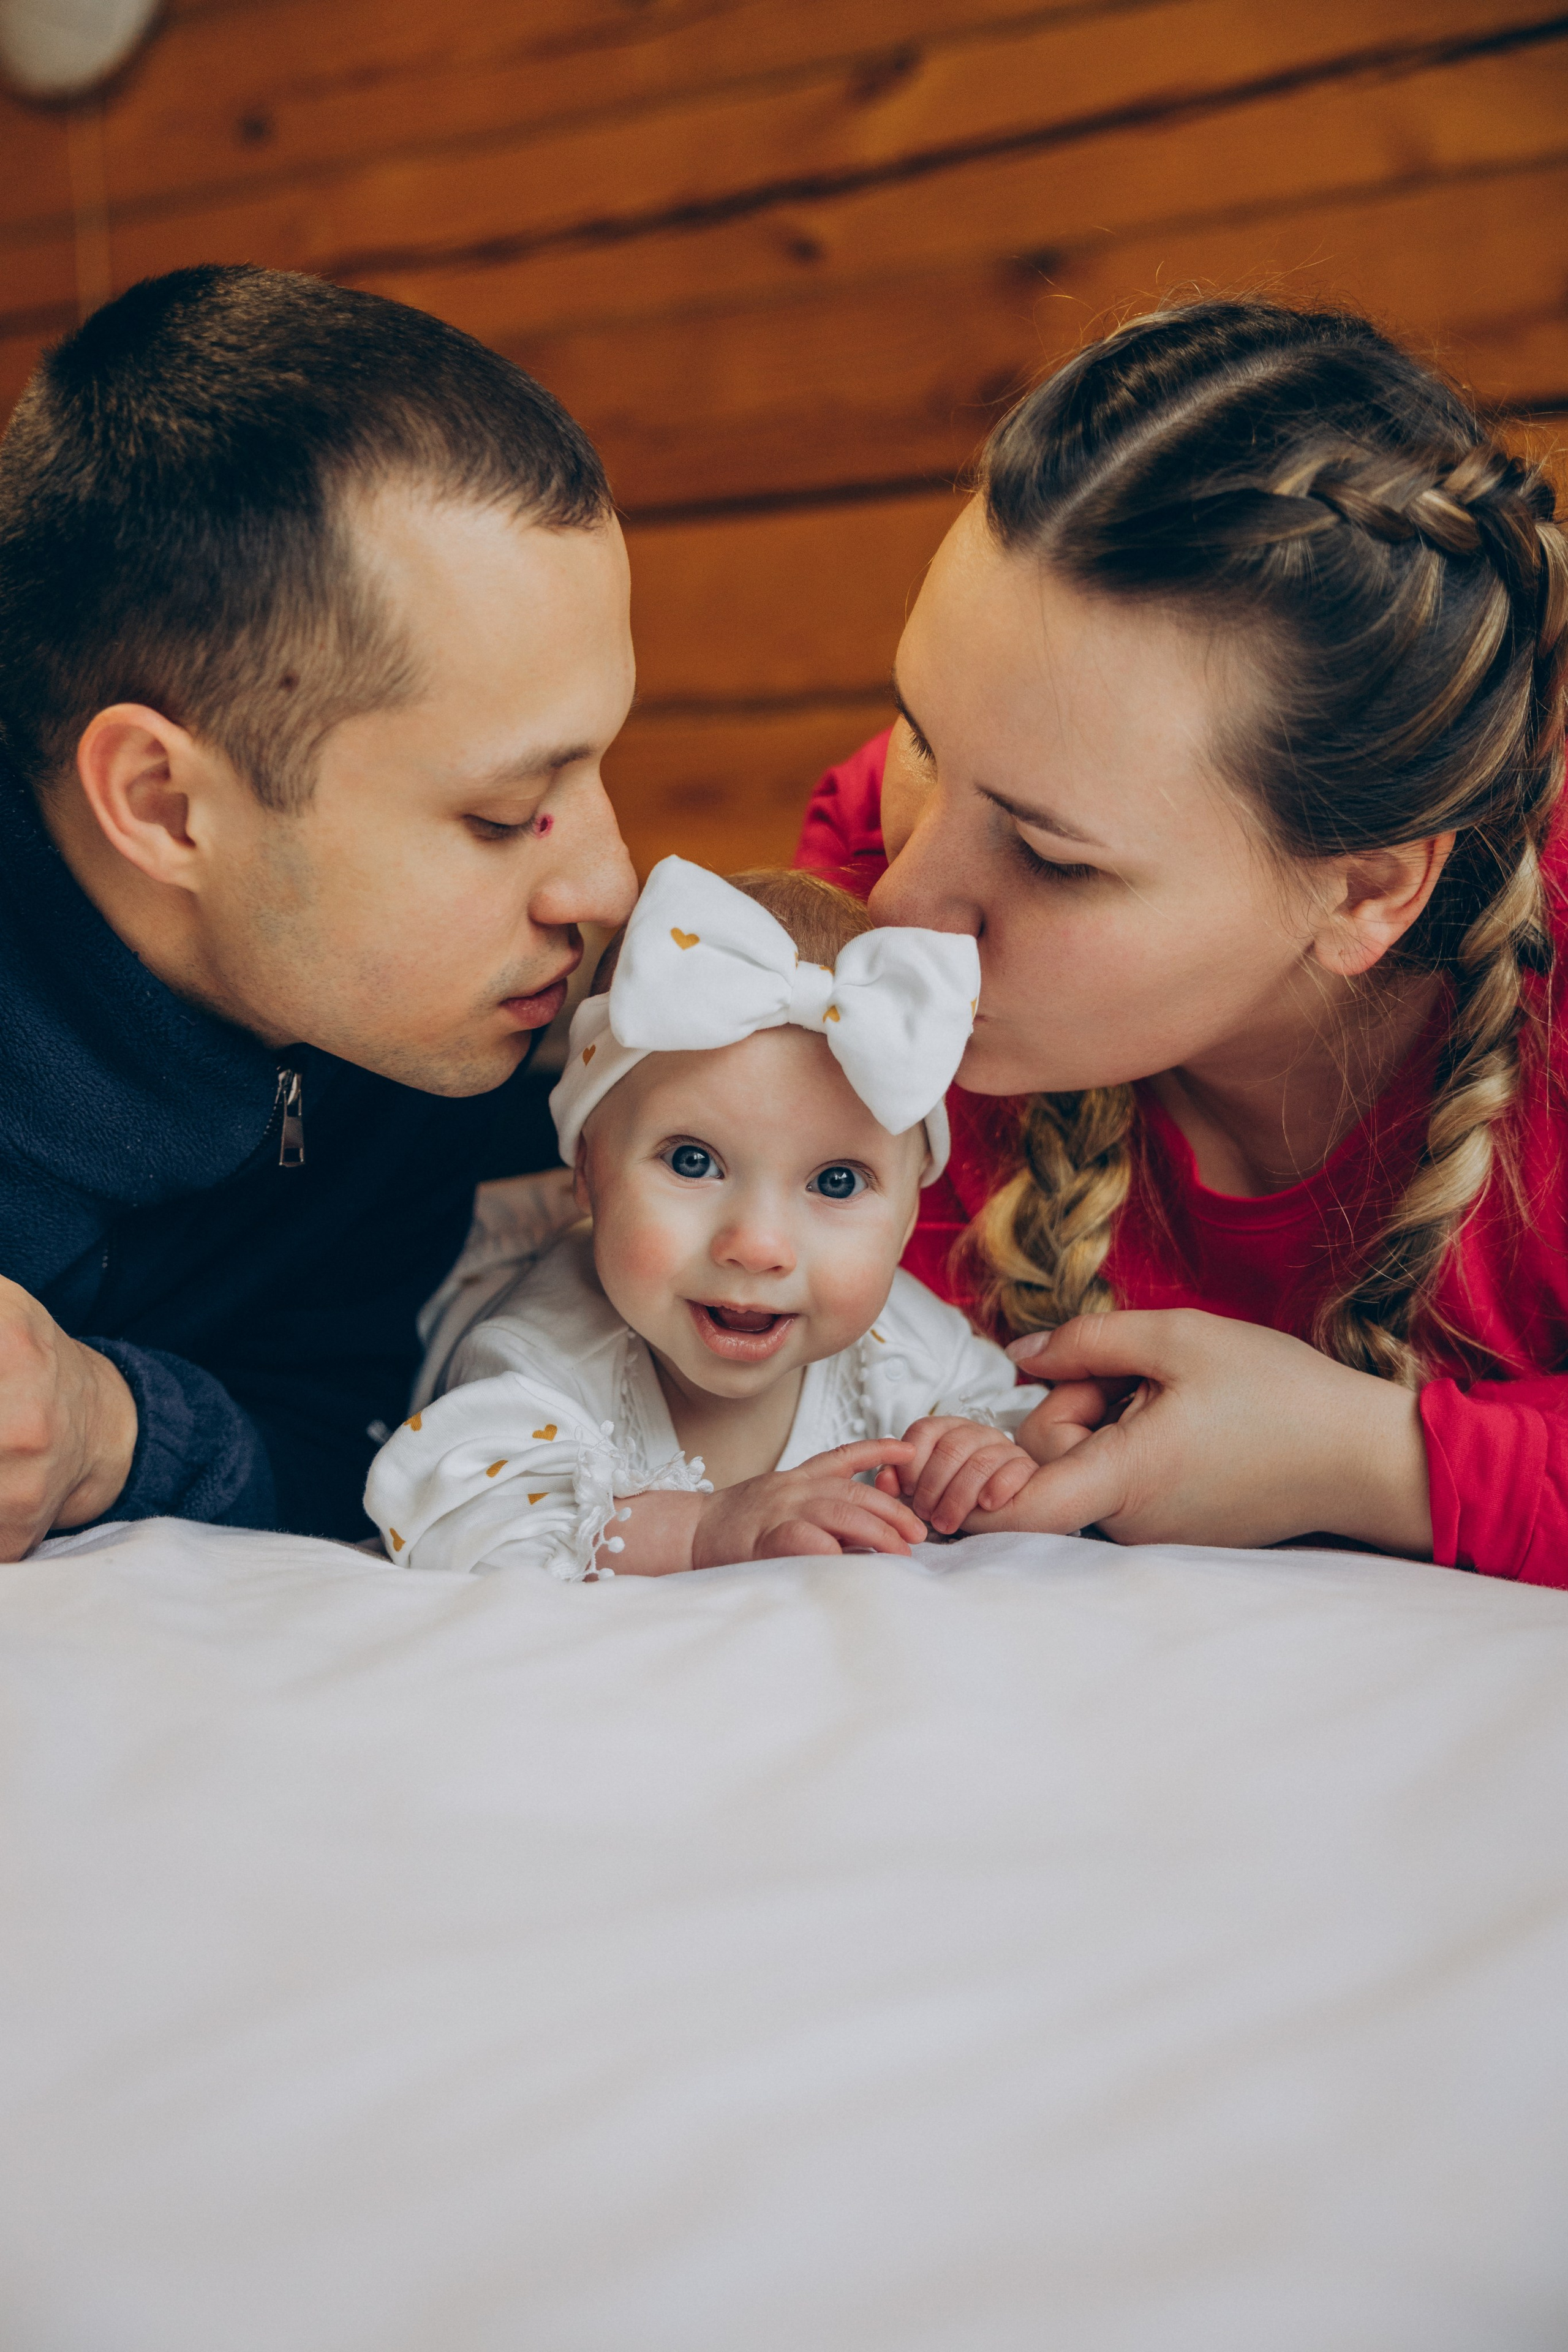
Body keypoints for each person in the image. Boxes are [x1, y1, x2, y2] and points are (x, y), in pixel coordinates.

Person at [796, 297, 1568, 1586]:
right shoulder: (875, 860)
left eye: (1051, 859)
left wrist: (1375, 1460)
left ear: (1362, 893)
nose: (898, 911)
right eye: (920, 738)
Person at [0, 264, 639, 1556]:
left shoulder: (420, 1043)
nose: (608, 885)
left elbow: (353, 1446)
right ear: (167, 806)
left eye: (600, 764)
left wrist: (102, 1424)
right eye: (504, 815)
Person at [365, 863, 1070, 1579]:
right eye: (693, 1162)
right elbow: (470, 1528)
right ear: (588, 1168)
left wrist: (972, 1456)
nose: (757, 1245)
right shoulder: (541, 1356)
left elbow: (1007, 1419)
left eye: (836, 1181)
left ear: (910, 1212)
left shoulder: (903, 1348)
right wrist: (702, 1531)